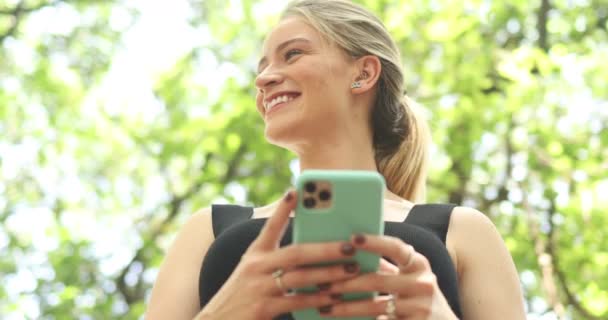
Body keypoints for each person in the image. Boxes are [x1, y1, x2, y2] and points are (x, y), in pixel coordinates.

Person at [146, 0, 526, 319]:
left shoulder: (463, 230)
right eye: (261, 68)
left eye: (292, 54)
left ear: (363, 73)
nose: (263, 80)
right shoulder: (209, 230)